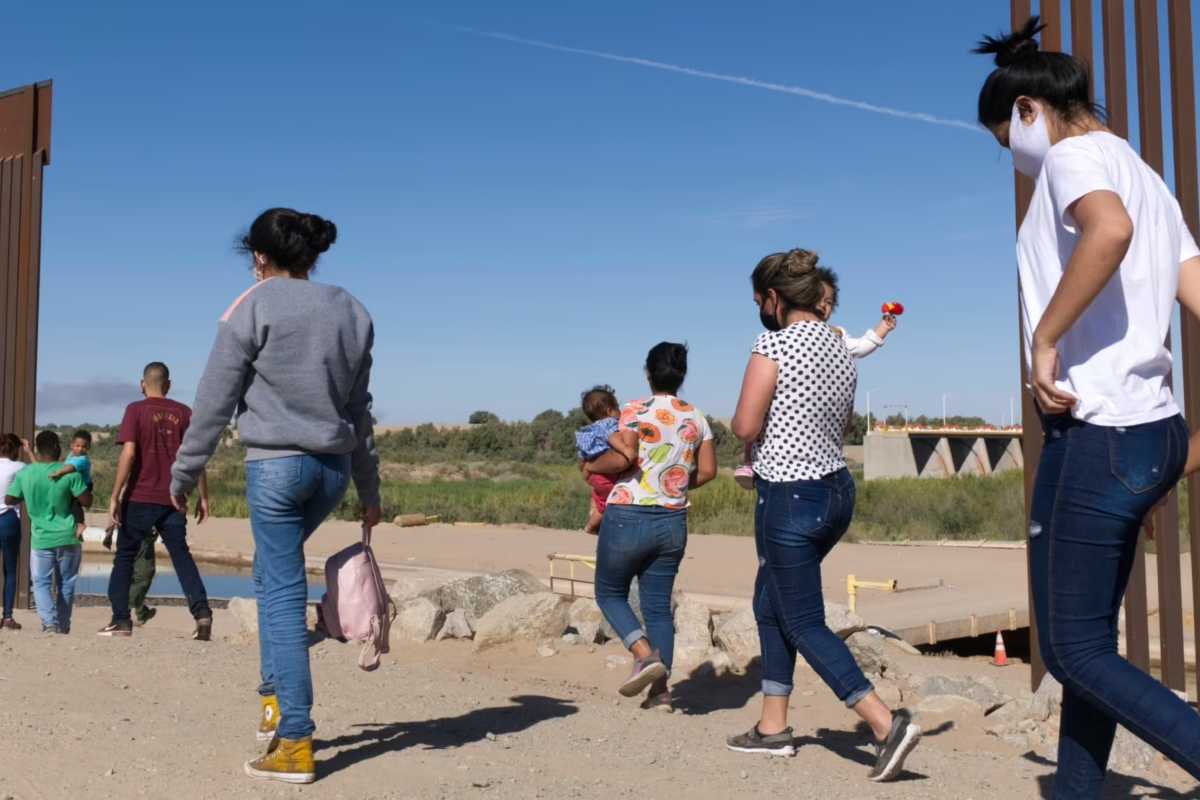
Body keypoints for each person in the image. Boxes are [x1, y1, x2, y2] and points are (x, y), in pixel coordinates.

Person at [974, 17, 1200, 797]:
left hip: (1098, 433)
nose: (1013, 158)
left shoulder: (1073, 157)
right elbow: (1193, 289)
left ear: (1030, 110)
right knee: (1090, 644)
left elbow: (1108, 231)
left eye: (1005, 137)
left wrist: (1045, 339)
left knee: (1070, 650)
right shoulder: (1144, 170)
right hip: (1148, 431)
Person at [170, 208, 381, 785]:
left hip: (278, 470)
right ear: (311, 256)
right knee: (269, 577)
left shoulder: (252, 305)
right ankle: (271, 707)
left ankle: (293, 741)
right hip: (332, 471)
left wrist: (184, 474)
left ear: (259, 257)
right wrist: (369, 488)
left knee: (283, 596)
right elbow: (360, 412)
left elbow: (214, 401)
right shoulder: (351, 309)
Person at [726, 249, 919, 782]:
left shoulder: (774, 342)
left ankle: (884, 723)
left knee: (804, 620)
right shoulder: (839, 346)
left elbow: (745, 425)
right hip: (835, 491)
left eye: (759, 300)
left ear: (774, 298)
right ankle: (772, 727)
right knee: (770, 603)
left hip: (788, 494)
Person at [585, 342, 717, 710]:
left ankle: (642, 654)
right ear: (682, 376)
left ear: (648, 373)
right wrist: (673, 484)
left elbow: (619, 457)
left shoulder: (633, 410)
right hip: (673, 520)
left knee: (609, 593)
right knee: (658, 607)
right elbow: (707, 471)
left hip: (629, 514)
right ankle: (660, 693)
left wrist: (593, 467)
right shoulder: (697, 417)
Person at [735, 280, 900, 489]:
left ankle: (751, 464)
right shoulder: (787, 338)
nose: (824, 306)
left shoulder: (835, 336)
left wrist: (882, 328)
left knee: (756, 417)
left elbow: (860, 346)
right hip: (829, 475)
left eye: (829, 302)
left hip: (792, 475)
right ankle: (750, 463)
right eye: (819, 301)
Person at [100, 362, 212, 639]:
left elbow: (129, 454)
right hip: (174, 498)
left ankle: (121, 620)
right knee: (181, 556)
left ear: (142, 384)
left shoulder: (135, 410)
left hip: (139, 497)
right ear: (169, 384)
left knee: (125, 557)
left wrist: (115, 495)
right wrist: (204, 496)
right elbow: (194, 457)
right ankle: (202, 614)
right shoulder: (184, 413)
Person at [3, 431, 92, 634]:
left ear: (37, 449)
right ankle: (63, 625)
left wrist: (27, 494)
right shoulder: (70, 472)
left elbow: (9, 500)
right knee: (66, 584)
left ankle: (49, 623)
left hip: (42, 539)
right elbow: (87, 501)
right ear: (58, 448)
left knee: (41, 582)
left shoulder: (26, 474)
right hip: (69, 537)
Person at [575, 385, 635, 534]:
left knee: (599, 495)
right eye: (617, 407)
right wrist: (627, 450)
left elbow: (582, 456)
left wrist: (585, 469)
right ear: (609, 411)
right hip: (606, 476)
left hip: (595, 476)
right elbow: (612, 437)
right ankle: (591, 527)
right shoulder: (609, 424)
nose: (620, 412)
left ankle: (596, 517)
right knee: (604, 505)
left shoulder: (590, 431)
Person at [0, 433, 32, 630]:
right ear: (16, 449)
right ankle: (8, 617)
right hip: (8, 519)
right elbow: (39, 471)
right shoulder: (20, 467)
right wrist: (29, 450)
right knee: (10, 570)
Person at [50, 429, 93, 538]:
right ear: (72, 445)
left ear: (88, 448)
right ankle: (75, 525)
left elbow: (71, 467)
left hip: (85, 485)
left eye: (84, 447)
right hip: (75, 485)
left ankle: (81, 523)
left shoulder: (83, 459)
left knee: (75, 503)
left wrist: (59, 472)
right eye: (77, 446)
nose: (80, 449)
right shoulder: (71, 455)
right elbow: (66, 463)